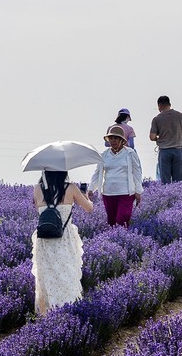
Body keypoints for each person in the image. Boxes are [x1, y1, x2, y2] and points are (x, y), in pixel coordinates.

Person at [31, 169, 94, 314]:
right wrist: (85, 196)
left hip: (45, 239)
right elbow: (89, 208)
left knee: (47, 276)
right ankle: (70, 310)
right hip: (64, 239)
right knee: (67, 273)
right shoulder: (70, 188)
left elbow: (41, 211)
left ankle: (48, 313)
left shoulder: (37, 189)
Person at [89, 124, 143, 227]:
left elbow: (137, 172)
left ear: (122, 140)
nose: (113, 141)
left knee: (122, 219)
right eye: (111, 138)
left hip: (126, 193)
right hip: (108, 193)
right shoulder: (104, 154)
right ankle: (115, 241)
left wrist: (138, 191)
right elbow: (97, 173)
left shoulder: (130, 153)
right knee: (111, 222)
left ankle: (123, 240)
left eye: (116, 138)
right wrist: (91, 188)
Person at [148, 95, 182, 183]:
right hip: (178, 150)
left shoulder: (157, 119)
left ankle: (167, 196)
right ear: (170, 104)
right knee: (178, 180)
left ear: (159, 106)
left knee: (165, 180)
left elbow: (152, 137)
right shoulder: (181, 116)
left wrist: (158, 137)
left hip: (164, 151)